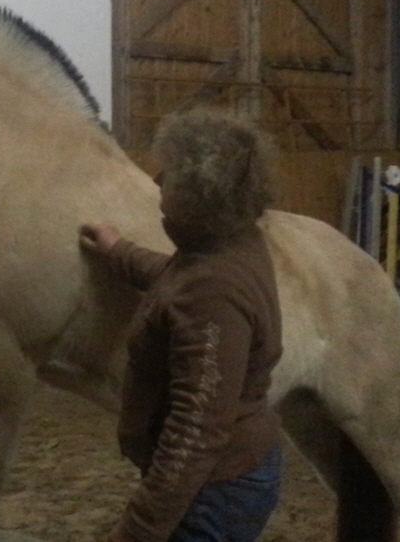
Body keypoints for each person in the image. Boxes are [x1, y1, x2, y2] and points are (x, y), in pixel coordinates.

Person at [79, 107, 283, 542]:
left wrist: (136, 531)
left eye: (168, 174)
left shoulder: (215, 289)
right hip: (224, 478)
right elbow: (177, 281)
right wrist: (118, 251)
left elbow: (196, 431)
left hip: (215, 489)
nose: (156, 182)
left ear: (199, 192)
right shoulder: (226, 245)